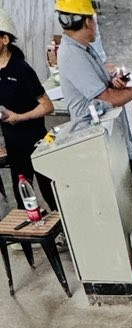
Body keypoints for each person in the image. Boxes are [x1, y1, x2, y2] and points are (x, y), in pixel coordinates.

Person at [55, 0, 132, 225]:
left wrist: (114, 82)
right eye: (93, 19)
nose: (96, 24)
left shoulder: (83, 49)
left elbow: (101, 90)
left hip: (111, 136)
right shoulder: (72, 54)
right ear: (86, 22)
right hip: (96, 140)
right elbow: (107, 98)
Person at [0, 7, 56, 211]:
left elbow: (47, 106)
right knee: (23, 197)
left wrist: (20, 117)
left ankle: (63, 227)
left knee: (50, 192)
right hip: (13, 145)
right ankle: (34, 228)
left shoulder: (21, 69)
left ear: (5, 39)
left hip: (36, 141)